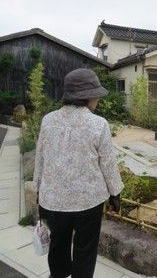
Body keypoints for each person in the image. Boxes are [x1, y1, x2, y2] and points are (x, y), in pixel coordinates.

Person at [34, 68, 124, 278]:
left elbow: (40, 158)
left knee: (58, 243)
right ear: (88, 96)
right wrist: (115, 194)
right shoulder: (98, 124)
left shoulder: (48, 120)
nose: (97, 100)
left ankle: (58, 275)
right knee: (85, 248)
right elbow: (108, 163)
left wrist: (37, 189)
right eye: (96, 96)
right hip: (88, 201)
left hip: (54, 200)